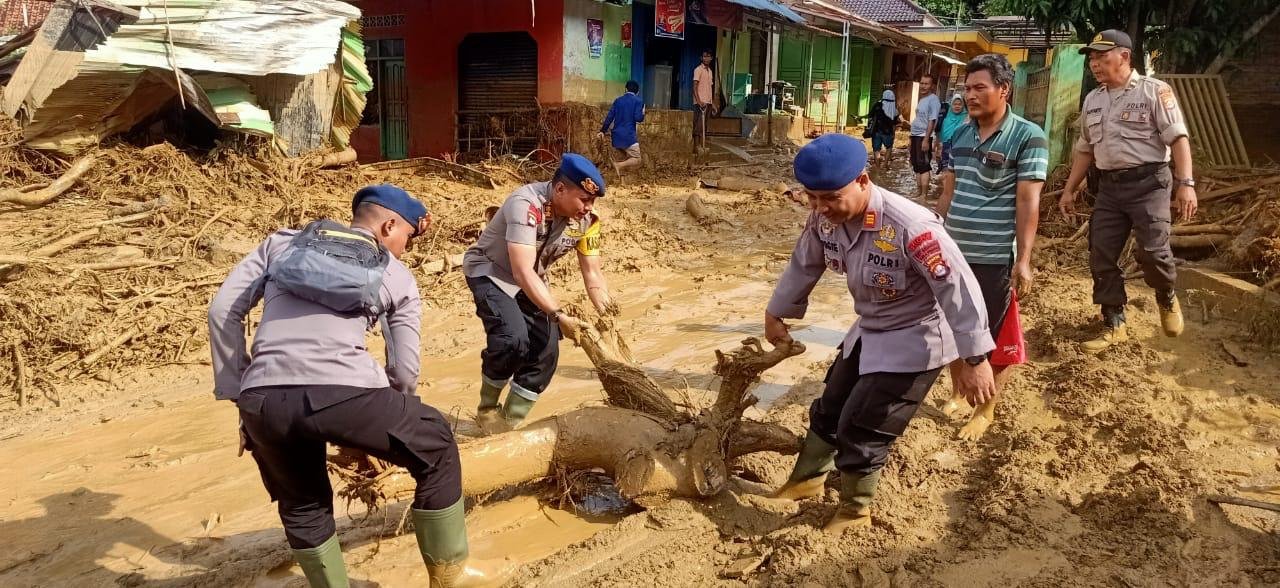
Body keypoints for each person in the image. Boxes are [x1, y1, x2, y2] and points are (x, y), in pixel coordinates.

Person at [208, 185, 511, 587]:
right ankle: (452, 577)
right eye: (407, 237)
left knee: (303, 501)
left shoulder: (281, 245)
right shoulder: (394, 272)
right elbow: (404, 369)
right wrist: (382, 425)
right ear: (389, 225)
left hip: (263, 398)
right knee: (437, 447)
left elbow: (222, 311)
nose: (406, 249)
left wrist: (240, 394)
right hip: (346, 392)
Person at [765, 134, 997, 533]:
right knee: (830, 407)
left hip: (915, 338)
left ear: (863, 180)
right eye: (812, 198)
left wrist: (975, 359)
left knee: (864, 425)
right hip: (868, 330)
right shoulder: (824, 216)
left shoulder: (911, 226)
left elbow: (958, 288)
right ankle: (806, 481)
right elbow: (805, 262)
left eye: (831, 198)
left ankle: (855, 512)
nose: (821, 208)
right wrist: (777, 311)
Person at [1059, 29, 1196, 354]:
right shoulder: (1093, 100)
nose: (1094, 64)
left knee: (1152, 252)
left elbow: (1179, 139)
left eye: (1101, 57)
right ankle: (1114, 322)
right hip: (1109, 188)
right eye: (1091, 59)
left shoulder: (1154, 91)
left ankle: (1165, 295)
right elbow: (1085, 149)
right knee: (1101, 254)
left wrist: (1185, 183)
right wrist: (1069, 190)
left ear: (1124, 56)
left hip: (1150, 183)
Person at [462, 154, 618, 435]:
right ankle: (486, 410)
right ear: (560, 189)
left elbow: (592, 274)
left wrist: (608, 315)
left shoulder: (588, 222)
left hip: (533, 280)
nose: (589, 207)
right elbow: (521, 271)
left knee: (547, 352)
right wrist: (558, 315)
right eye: (584, 199)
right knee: (512, 339)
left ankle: (506, 425)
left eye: (593, 201)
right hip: (492, 272)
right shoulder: (526, 205)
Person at [935, 54, 1047, 440]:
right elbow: (948, 193)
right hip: (953, 253)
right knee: (952, 328)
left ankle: (986, 408)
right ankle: (957, 392)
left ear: (1004, 89)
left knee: (990, 335)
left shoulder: (1028, 136)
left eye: (979, 87)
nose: (970, 95)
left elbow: (1028, 202)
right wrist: (933, 235)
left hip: (995, 256)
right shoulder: (957, 135)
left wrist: (1025, 260)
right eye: (966, 88)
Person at [598, 80, 646, 177]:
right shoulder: (638, 101)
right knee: (637, 158)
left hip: (616, 137)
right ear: (638, 92)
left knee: (623, 157)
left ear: (625, 89)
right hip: (629, 137)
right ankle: (618, 165)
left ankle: (621, 181)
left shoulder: (618, 100)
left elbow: (609, 117)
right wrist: (643, 113)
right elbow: (638, 118)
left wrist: (602, 131)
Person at [909, 74, 941, 200]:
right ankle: (918, 192)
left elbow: (932, 121)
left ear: (932, 86)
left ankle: (924, 195)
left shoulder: (933, 100)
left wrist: (926, 140)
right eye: (922, 83)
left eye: (926, 84)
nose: (923, 86)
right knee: (916, 165)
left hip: (923, 136)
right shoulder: (922, 99)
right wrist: (911, 139)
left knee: (924, 166)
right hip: (916, 136)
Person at [867, 89, 901, 166]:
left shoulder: (877, 105)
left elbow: (870, 116)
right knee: (889, 148)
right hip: (888, 133)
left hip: (876, 132)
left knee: (876, 150)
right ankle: (885, 165)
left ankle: (878, 166)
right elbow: (894, 124)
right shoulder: (894, 110)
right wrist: (893, 134)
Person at [693, 50, 715, 152]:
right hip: (700, 102)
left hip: (708, 102)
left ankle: (702, 146)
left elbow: (710, 88)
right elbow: (694, 87)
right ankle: (696, 147)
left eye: (708, 56)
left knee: (704, 126)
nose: (706, 58)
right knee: (698, 125)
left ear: (711, 58)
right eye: (704, 56)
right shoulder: (698, 70)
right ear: (701, 58)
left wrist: (712, 103)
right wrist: (699, 101)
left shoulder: (710, 71)